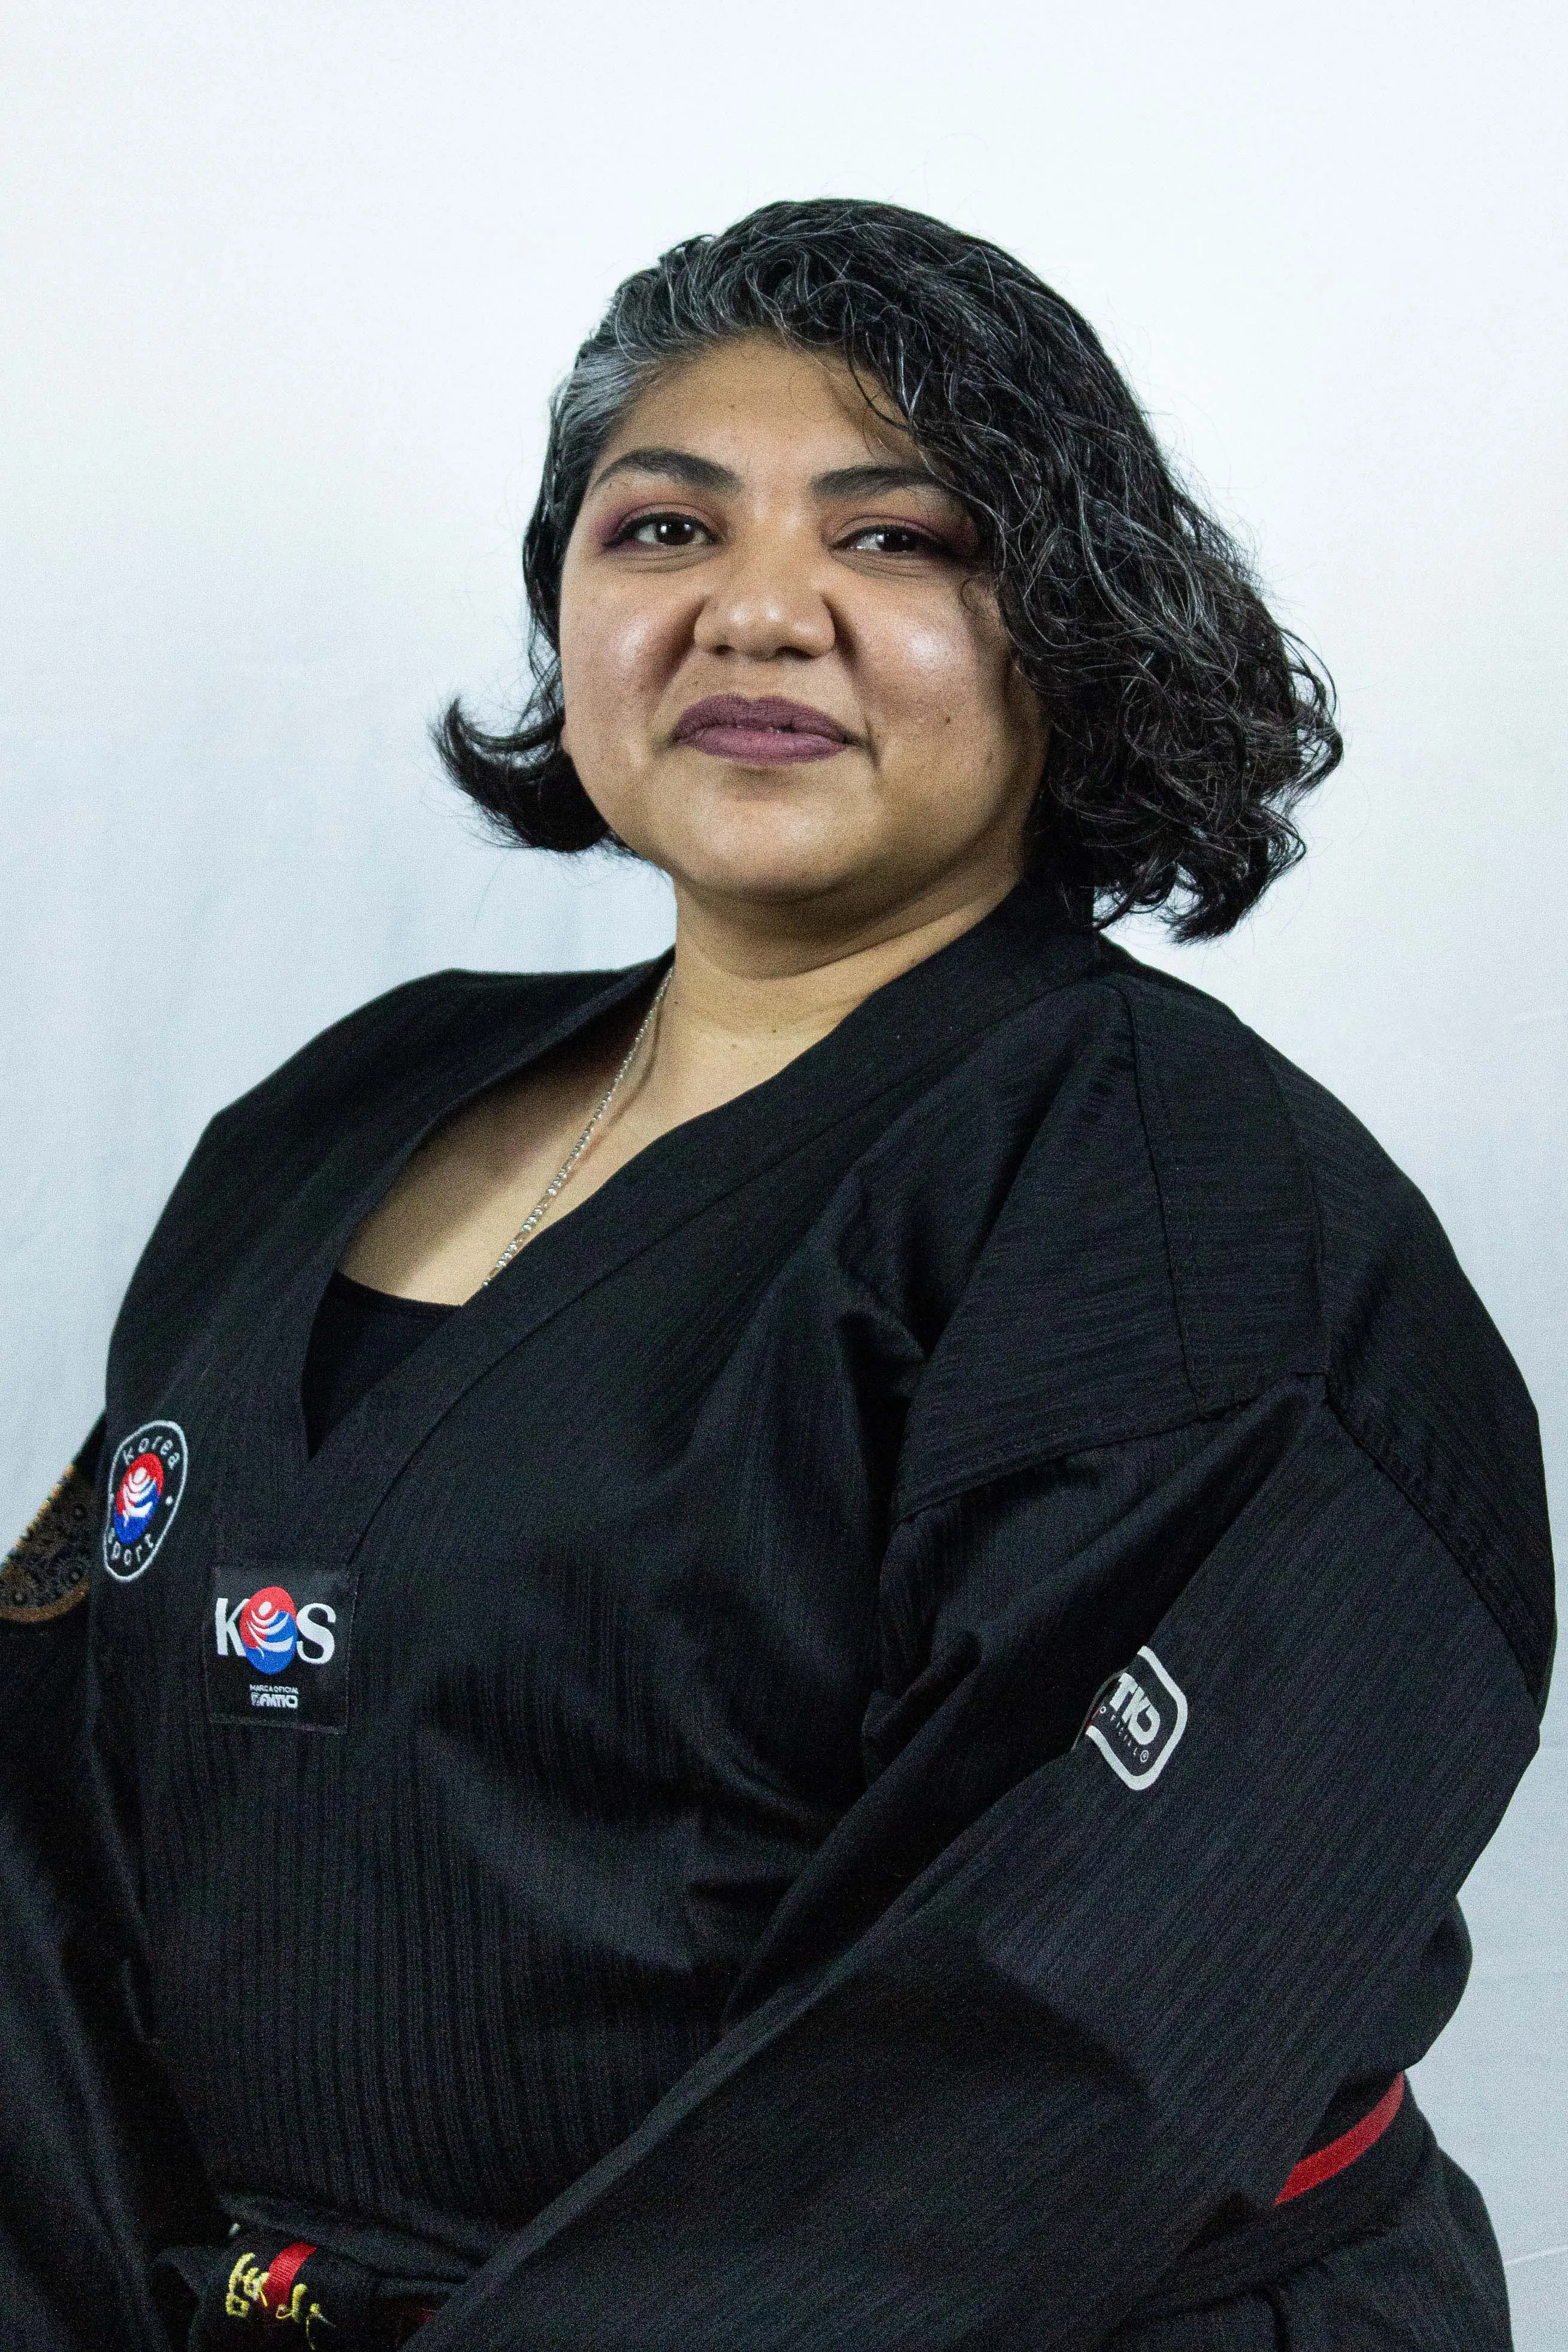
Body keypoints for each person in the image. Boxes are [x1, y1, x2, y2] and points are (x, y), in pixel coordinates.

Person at [0, 198, 1553, 2352]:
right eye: (660, 527)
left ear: (1075, 625)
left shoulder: (1182, 1208)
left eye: (897, 539)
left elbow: (1041, 2042)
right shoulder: (331, 1117)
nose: (758, 612)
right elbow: (46, 1835)